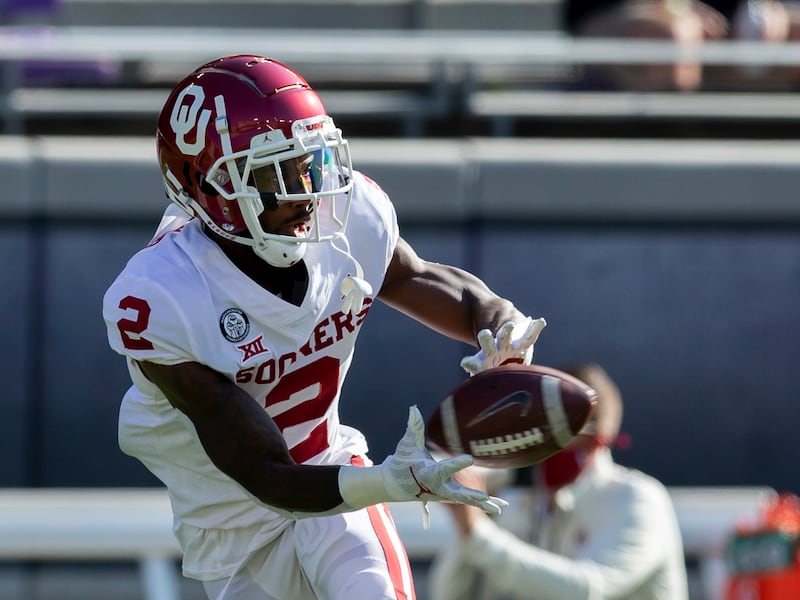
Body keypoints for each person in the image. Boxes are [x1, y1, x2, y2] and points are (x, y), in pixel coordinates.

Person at [102, 54, 547, 600]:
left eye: (308, 161)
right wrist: (387, 482)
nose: (304, 190)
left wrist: (498, 323)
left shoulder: (351, 216)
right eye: (270, 174)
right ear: (206, 188)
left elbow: (420, 277)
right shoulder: (165, 296)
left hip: (331, 464)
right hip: (232, 523)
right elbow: (267, 474)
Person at [429, 362, 689, 600]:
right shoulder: (524, 502)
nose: (537, 443)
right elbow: (451, 594)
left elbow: (586, 590)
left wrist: (477, 533)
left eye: (553, 429)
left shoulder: (637, 499)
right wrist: (467, 521)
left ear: (595, 437)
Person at [562, 0, 800, 91]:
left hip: (726, 20)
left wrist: (764, 9)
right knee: (670, 37)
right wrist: (678, 5)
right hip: (626, 12)